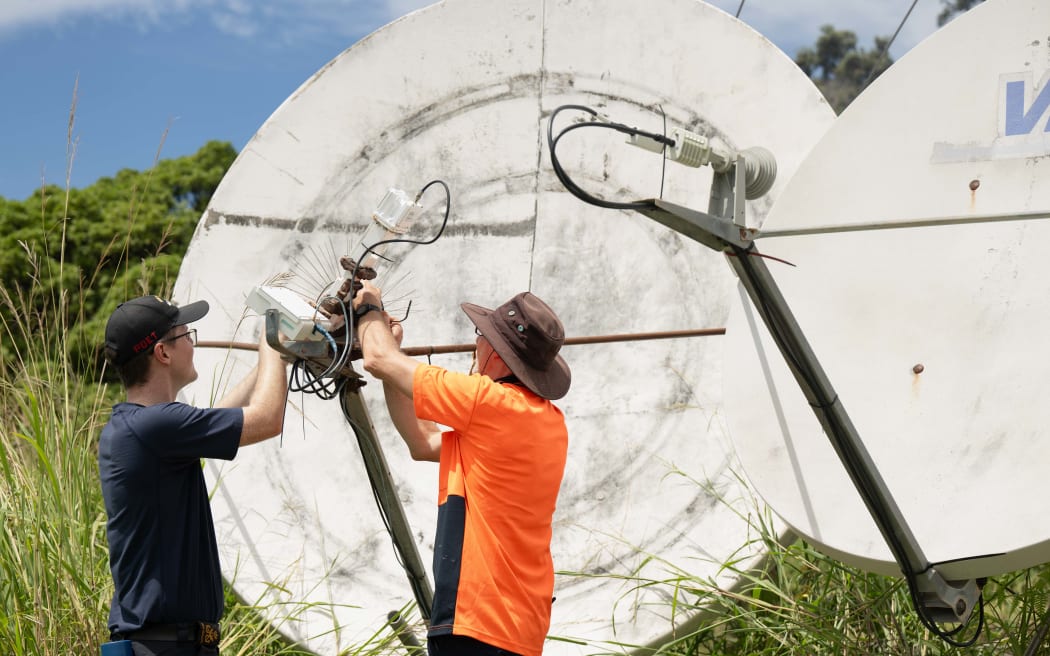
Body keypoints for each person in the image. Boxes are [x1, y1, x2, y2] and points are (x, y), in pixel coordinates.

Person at [352, 281, 571, 656]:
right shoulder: (546, 421)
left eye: (482, 336)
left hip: (478, 623)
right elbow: (423, 442)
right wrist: (393, 357)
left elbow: (377, 359)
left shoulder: (490, 403)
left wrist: (368, 309)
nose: (476, 344)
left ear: (499, 355)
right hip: (520, 627)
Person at [98, 295, 289, 655]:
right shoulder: (157, 426)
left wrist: (278, 355)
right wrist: (274, 342)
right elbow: (266, 419)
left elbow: (221, 416)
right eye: (187, 335)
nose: (192, 344)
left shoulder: (142, 426)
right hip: (166, 646)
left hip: (164, 644)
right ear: (163, 354)